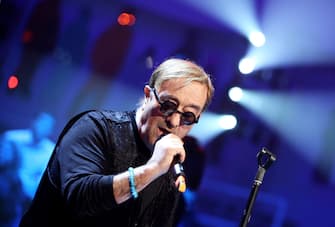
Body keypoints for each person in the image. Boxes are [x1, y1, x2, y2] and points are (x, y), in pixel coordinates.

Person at [19, 58, 215, 227]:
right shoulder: (95, 128)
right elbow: (79, 197)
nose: (174, 121)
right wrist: (153, 168)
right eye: (168, 105)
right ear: (148, 96)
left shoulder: (172, 172)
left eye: (188, 116)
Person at [0, 112, 55, 226]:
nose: (41, 128)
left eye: (46, 126)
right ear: (33, 122)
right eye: (40, 123)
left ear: (51, 131)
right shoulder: (12, 138)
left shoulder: (51, 151)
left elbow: (41, 184)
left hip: (24, 196)